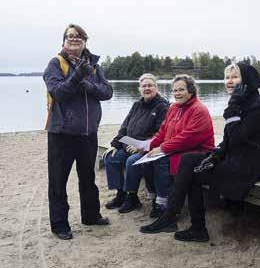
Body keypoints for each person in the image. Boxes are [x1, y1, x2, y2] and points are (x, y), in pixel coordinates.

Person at [140, 63, 260, 242]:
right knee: (189, 161)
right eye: (227, 77)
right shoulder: (242, 101)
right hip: (236, 156)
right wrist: (216, 155)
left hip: (251, 163)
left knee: (194, 172)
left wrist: (232, 106)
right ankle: (176, 220)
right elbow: (228, 141)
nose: (229, 81)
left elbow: (236, 138)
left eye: (235, 77)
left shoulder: (258, 106)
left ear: (247, 81)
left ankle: (186, 223)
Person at [43, 24, 113, 240]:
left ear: (85, 40)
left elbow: (107, 92)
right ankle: (60, 225)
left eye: (78, 36)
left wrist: (86, 84)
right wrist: (77, 78)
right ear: (64, 40)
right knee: (58, 180)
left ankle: (91, 216)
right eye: (70, 36)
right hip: (61, 133)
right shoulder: (55, 64)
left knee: (88, 177)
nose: (74, 39)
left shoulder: (94, 65)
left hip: (88, 132)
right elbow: (58, 92)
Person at [140, 74, 215, 221]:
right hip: (176, 148)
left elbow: (188, 138)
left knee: (161, 161)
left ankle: (164, 203)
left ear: (191, 90)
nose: (177, 93)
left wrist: (162, 149)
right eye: (174, 91)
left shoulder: (199, 110)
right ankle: (155, 198)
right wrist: (149, 145)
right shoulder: (173, 108)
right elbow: (162, 131)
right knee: (146, 159)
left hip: (195, 151)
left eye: (181, 90)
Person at [102, 73, 169, 213]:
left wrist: (142, 146)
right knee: (111, 157)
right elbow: (125, 127)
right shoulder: (136, 105)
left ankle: (132, 197)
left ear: (156, 88)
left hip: (147, 148)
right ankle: (121, 194)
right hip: (128, 145)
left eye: (150, 85)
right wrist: (115, 144)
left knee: (132, 162)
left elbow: (160, 132)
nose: (147, 88)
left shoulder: (162, 107)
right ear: (140, 89)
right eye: (144, 86)